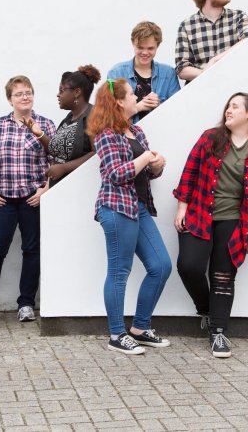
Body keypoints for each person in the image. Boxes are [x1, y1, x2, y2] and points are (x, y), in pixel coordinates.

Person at [173, 93, 248, 358]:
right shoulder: (211, 137)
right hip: (199, 213)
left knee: (222, 277)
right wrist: (181, 207)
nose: (228, 110)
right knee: (189, 266)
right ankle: (206, 309)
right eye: (228, 106)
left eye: (235, 106)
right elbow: (190, 170)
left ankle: (218, 332)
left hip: (233, 221)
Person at [88, 78, 172, 355]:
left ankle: (139, 328)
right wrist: (145, 158)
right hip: (116, 208)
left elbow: (146, 173)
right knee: (119, 272)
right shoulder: (105, 134)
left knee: (161, 266)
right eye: (132, 94)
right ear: (119, 102)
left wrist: (156, 165)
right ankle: (116, 334)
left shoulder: (137, 130)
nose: (137, 96)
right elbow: (116, 174)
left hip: (139, 207)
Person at [0, 75, 56, 322]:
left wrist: (45, 189)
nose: (25, 97)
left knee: (32, 250)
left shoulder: (46, 124)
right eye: (19, 94)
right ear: (9, 99)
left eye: (28, 92)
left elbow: (55, 160)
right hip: (2, 198)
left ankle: (25, 304)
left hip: (31, 198)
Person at [175, 0, 248, 83]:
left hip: (236, 84)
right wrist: (209, 74)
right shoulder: (186, 26)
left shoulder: (238, 17)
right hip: (201, 90)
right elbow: (182, 68)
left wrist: (215, 60)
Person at [36, 65, 100, 186]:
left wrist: (64, 168)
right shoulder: (68, 119)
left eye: (62, 90)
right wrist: (39, 134)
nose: (58, 95)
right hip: (59, 189)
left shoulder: (93, 116)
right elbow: (55, 150)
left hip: (78, 189)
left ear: (76, 92)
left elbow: (96, 153)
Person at [107, 22, 180, 121]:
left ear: (157, 46)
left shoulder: (169, 74)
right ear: (133, 43)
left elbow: (177, 111)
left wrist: (159, 106)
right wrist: (138, 107)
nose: (145, 52)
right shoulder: (116, 73)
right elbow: (109, 114)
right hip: (126, 135)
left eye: (150, 48)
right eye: (140, 48)